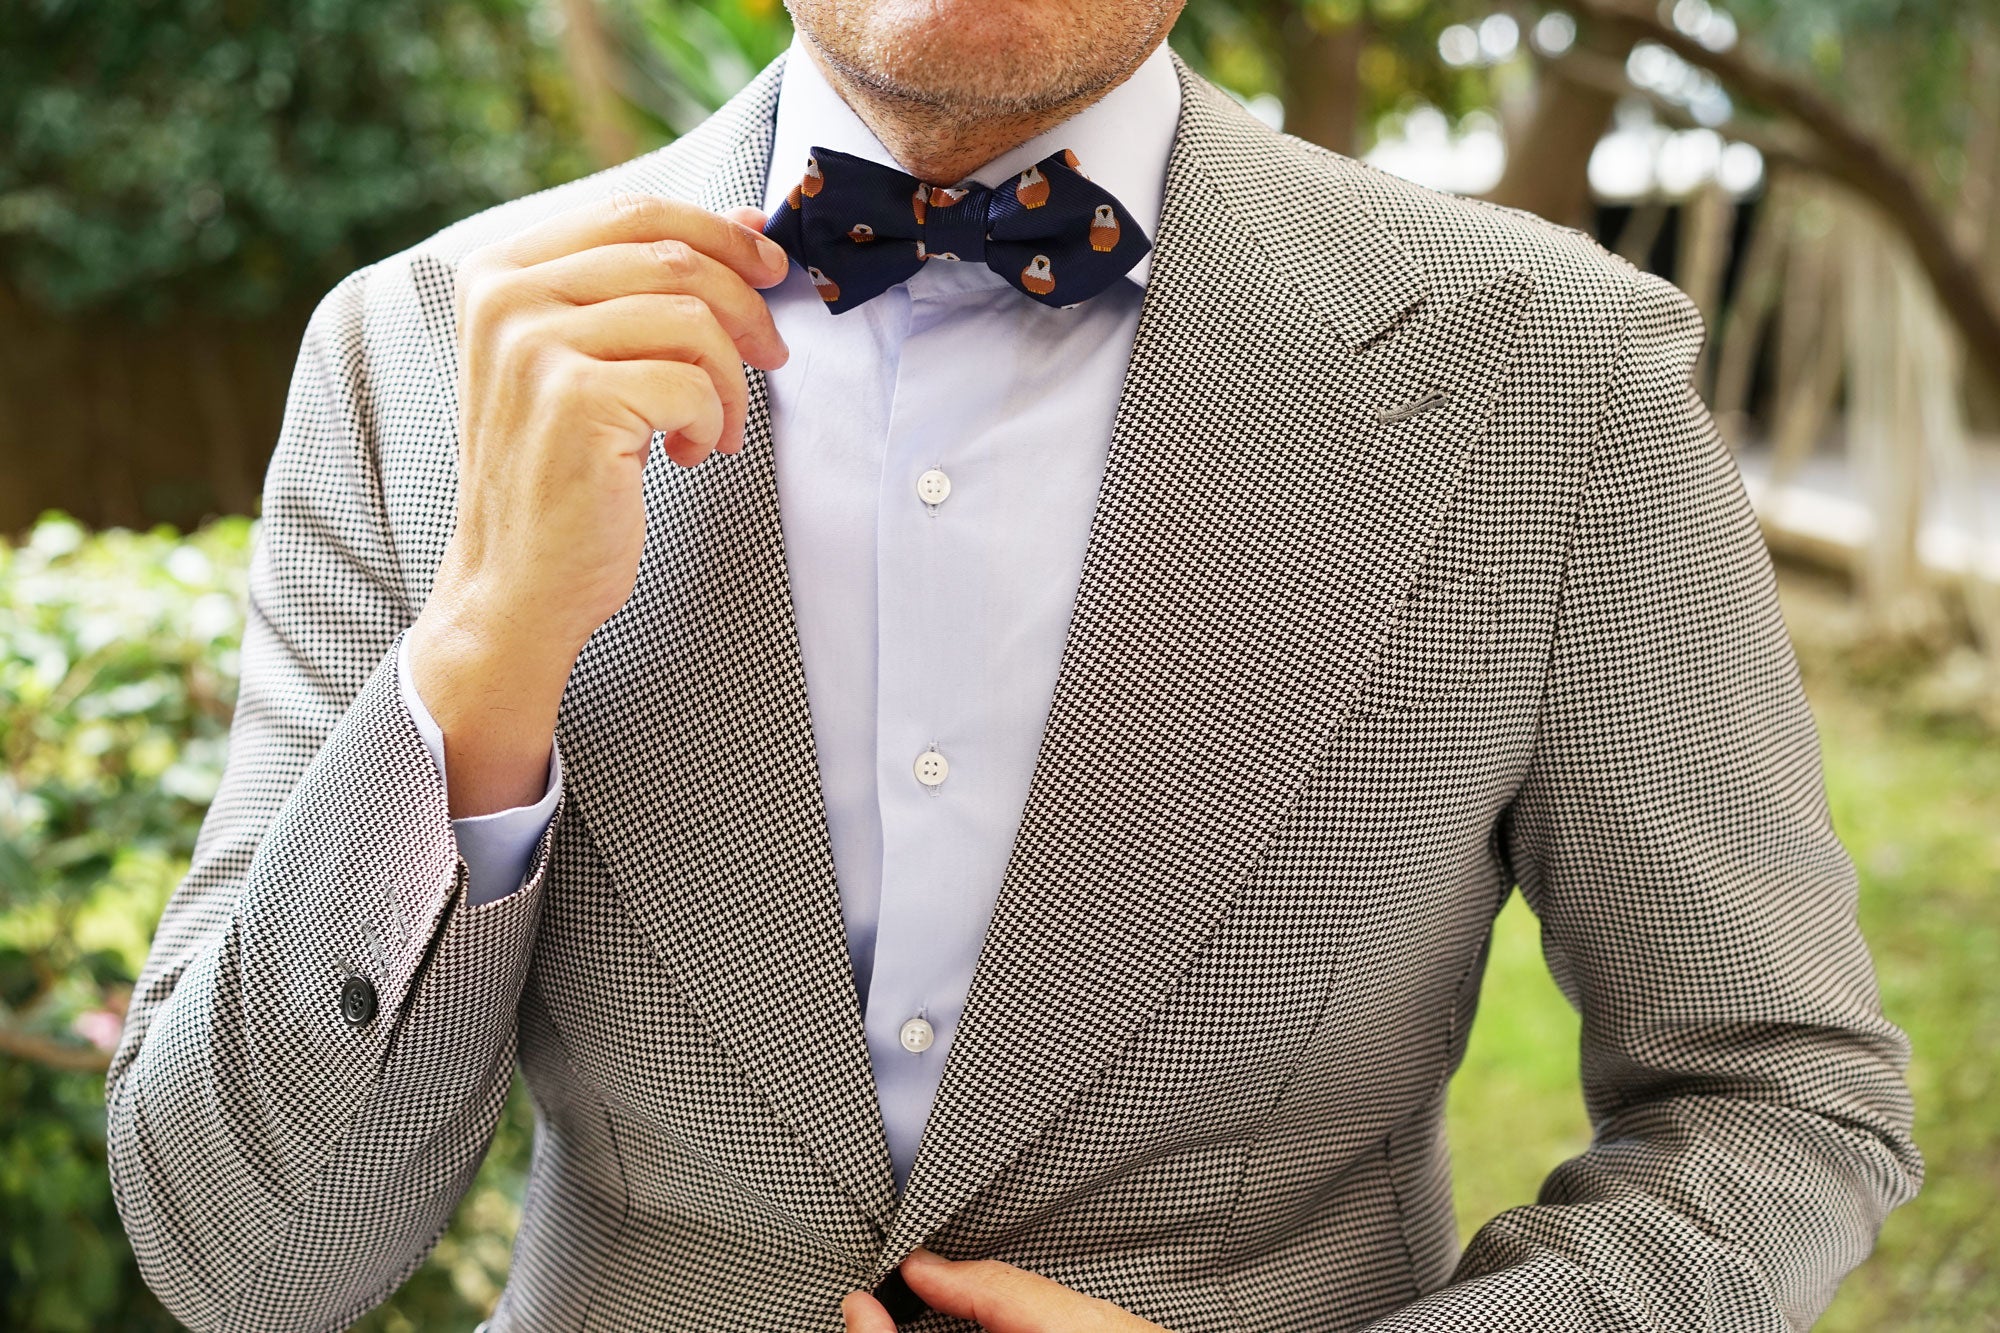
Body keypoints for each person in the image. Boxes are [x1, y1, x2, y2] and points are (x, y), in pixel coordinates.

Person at [105, 0, 1923, 1329]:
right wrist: (483, 651)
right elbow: (245, 1257)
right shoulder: (411, 358)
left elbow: (1779, 1103)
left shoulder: (1564, 377)